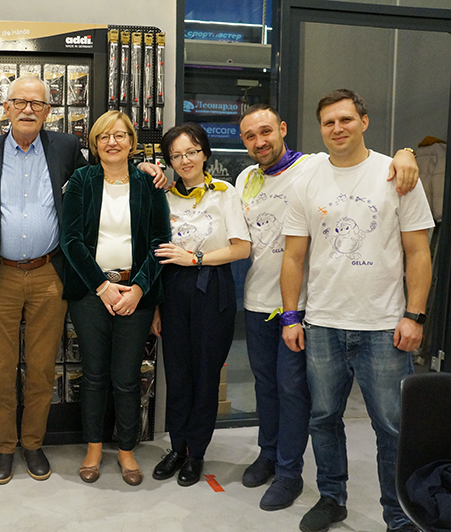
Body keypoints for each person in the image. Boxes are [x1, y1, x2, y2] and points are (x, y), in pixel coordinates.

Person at [0, 75, 165, 485]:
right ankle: (5, 447)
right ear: (5, 107)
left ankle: (33, 444)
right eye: (20, 102)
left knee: (42, 368)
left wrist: (144, 167)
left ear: (48, 111)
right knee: (0, 369)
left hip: (49, 275)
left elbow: (103, 178)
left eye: (37, 104)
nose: (28, 110)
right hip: (0, 275)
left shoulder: (66, 148)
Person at [236, 103, 420, 511]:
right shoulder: (245, 178)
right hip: (262, 300)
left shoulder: (313, 166)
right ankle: (274, 459)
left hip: (310, 307)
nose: (260, 141)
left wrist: (406, 153)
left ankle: (291, 472)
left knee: (298, 393)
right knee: (274, 391)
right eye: (250, 135)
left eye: (266, 131)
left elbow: (355, 155)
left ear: (283, 129)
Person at [280, 89, 433, 532]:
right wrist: (291, 316)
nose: (337, 128)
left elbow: (418, 252)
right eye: (328, 122)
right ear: (320, 129)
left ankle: (399, 515)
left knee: (392, 428)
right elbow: (293, 256)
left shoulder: (396, 175)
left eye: (346, 119)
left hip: (384, 326)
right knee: (324, 419)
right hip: (323, 324)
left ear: (364, 121)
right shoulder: (307, 181)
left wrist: (415, 315)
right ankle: (332, 498)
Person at [60, 111, 170, 486]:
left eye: (120, 135)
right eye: (104, 136)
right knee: (94, 375)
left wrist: (138, 289)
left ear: (132, 142)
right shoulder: (82, 180)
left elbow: (160, 242)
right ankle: (93, 448)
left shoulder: (148, 183)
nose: (112, 142)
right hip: (91, 293)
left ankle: (126, 450)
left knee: (126, 377)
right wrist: (101, 286)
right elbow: (71, 240)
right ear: (95, 143)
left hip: (135, 294)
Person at [151, 123, 251, 488]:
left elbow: (242, 248)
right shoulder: (164, 196)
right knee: (177, 375)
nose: (185, 160)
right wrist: (157, 307)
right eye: (176, 155)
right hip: (172, 289)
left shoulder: (224, 193)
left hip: (212, 286)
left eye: (191, 152)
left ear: (205, 153)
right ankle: (177, 447)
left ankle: (196, 453)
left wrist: (195, 258)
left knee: (206, 375)